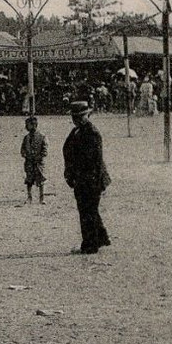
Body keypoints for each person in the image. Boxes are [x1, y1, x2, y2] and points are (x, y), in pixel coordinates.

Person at [62, 101, 112, 254]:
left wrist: (86, 180)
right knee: (89, 210)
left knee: (87, 211)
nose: (76, 119)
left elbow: (94, 161)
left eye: (80, 116)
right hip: (81, 178)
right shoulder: (77, 131)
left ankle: (90, 245)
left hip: (90, 179)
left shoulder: (92, 133)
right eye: (74, 117)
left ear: (87, 115)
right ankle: (101, 237)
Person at [20, 115, 48, 204]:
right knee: (29, 180)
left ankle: (42, 198)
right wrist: (25, 155)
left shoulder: (42, 136)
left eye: (27, 125)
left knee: (41, 180)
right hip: (29, 162)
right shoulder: (26, 138)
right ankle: (29, 197)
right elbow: (22, 149)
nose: (25, 127)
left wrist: (38, 157)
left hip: (38, 163)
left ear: (34, 125)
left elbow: (45, 150)